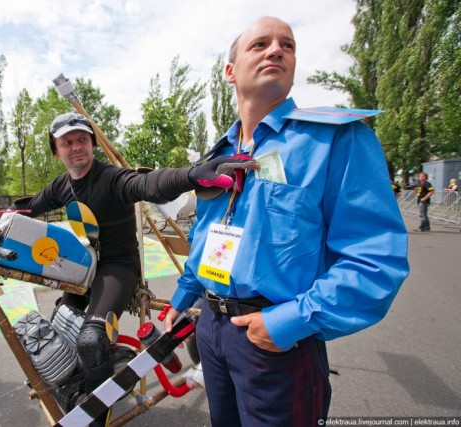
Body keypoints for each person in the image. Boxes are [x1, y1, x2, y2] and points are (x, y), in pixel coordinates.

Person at [163, 17, 409, 426]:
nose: (276, 50)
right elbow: (207, 236)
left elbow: (375, 260)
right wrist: (184, 295)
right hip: (212, 330)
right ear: (230, 70)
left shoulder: (335, 140)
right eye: (259, 44)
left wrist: (291, 322)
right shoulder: (217, 156)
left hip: (276, 342)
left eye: (287, 45)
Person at [6, 112, 251, 426]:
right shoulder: (61, 185)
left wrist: (193, 175)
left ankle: (96, 420)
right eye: (67, 142)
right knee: (57, 332)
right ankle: (76, 387)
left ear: (92, 144)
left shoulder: (110, 178)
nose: (76, 147)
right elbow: (29, 206)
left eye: (82, 139)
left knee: (91, 341)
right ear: (57, 151)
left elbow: (147, 183)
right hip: (84, 269)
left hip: (118, 269)